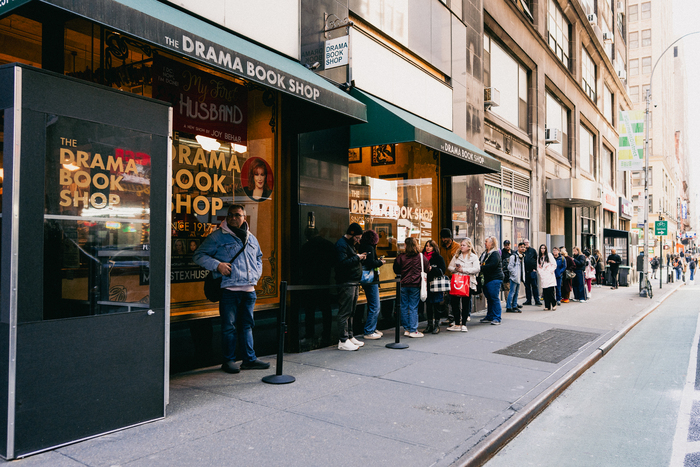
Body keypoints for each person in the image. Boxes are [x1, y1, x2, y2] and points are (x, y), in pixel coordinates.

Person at [193, 204, 269, 374]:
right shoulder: (217, 237)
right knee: (229, 327)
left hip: (249, 291)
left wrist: (256, 275)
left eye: (237, 215)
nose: (233, 218)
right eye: (230, 215)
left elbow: (259, 257)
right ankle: (229, 360)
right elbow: (198, 255)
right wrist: (217, 265)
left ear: (244, 217)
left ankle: (249, 359)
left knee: (247, 325)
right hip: (229, 290)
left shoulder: (251, 238)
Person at [299, 227, 335, 345]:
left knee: (310, 310)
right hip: (324, 281)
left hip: (310, 282)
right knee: (326, 310)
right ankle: (326, 334)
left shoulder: (306, 247)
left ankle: (310, 334)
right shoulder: (328, 245)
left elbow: (302, 265)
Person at [335, 223, 367, 351]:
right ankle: (343, 340)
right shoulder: (341, 244)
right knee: (345, 311)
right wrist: (357, 257)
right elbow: (342, 263)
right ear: (352, 234)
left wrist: (359, 258)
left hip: (352, 281)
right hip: (346, 282)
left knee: (351, 310)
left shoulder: (348, 244)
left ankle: (349, 336)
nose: (358, 240)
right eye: (357, 237)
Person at [393, 237, 429, 338]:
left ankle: (407, 329)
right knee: (413, 307)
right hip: (415, 285)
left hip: (403, 284)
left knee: (404, 306)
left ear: (406, 245)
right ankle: (413, 330)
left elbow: (396, 269)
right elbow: (427, 268)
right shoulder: (421, 257)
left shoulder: (401, 257)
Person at [358, 230, 386, 340]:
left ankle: (372, 328)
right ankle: (369, 330)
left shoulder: (362, 246)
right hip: (371, 279)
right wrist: (380, 262)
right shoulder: (369, 248)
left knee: (372, 304)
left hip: (367, 278)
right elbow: (370, 263)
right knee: (375, 305)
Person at [446, 238, 480, 331]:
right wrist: (456, 269)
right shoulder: (457, 256)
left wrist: (464, 270)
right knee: (455, 302)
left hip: (467, 282)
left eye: (463, 245)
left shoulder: (473, 256)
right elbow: (449, 267)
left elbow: (477, 268)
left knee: (465, 303)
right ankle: (457, 324)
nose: (461, 246)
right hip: (457, 281)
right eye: (461, 245)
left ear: (469, 247)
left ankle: (464, 324)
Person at [421, 240, 447, 334]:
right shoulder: (421, 257)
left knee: (436, 305)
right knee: (428, 305)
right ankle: (429, 325)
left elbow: (442, 270)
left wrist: (432, 269)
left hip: (435, 284)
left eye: (430, 246)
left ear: (434, 248)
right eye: (426, 246)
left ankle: (437, 325)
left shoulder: (438, 258)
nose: (428, 248)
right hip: (425, 284)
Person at [479, 236, 504, 325]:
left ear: (492, 243)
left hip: (494, 279)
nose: (484, 243)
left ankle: (497, 318)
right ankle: (489, 316)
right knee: (489, 298)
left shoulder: (495, 254)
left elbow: (491, 266)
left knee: (494, 298)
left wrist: (480, 267)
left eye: (486, 241)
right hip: (486, 279)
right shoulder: (484, 254)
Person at [439, 228, 461, 324]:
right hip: (446, 275)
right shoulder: (441, 247)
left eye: (445, 238)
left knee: (455, 298)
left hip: (455, 276)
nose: (444, 240)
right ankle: (450, 316)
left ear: (450, 237)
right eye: (442, 238)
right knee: (447, 298)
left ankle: (456, 317)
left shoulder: (457, 247)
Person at [506, 242, 526, 313]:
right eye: (521, 247)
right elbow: (510, 267)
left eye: (524, 247)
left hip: (519, 278)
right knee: (512, 292)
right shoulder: (513, 256)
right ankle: (508, 307)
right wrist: (515, 274)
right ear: (518, 247)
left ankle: (514, 306)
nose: (523, 248)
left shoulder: (522, 256)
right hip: (514, 278)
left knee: (516, 293)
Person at [537, 244, 557, 311]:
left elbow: (554, 264)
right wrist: (540, 272)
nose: (543, 250)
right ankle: (547, 306)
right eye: (541, 248)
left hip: (549, 275)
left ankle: (554, 304)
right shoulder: (539, 257)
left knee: (550, 291)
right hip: (543, 276)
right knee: (545, 292)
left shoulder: (549, 255)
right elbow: (538, 267)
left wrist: (550, 270)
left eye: (544, 248)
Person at [522, 239, 541, 306]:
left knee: (534, 286)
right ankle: (528, 300)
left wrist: (535, 269)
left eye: (527, 242)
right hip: (525, 272)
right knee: (527, 287)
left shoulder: (532, 250)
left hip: (532, 271)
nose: (526, 244)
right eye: (525, 243)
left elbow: (536, 259)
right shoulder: (522, 251)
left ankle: (537, 300)